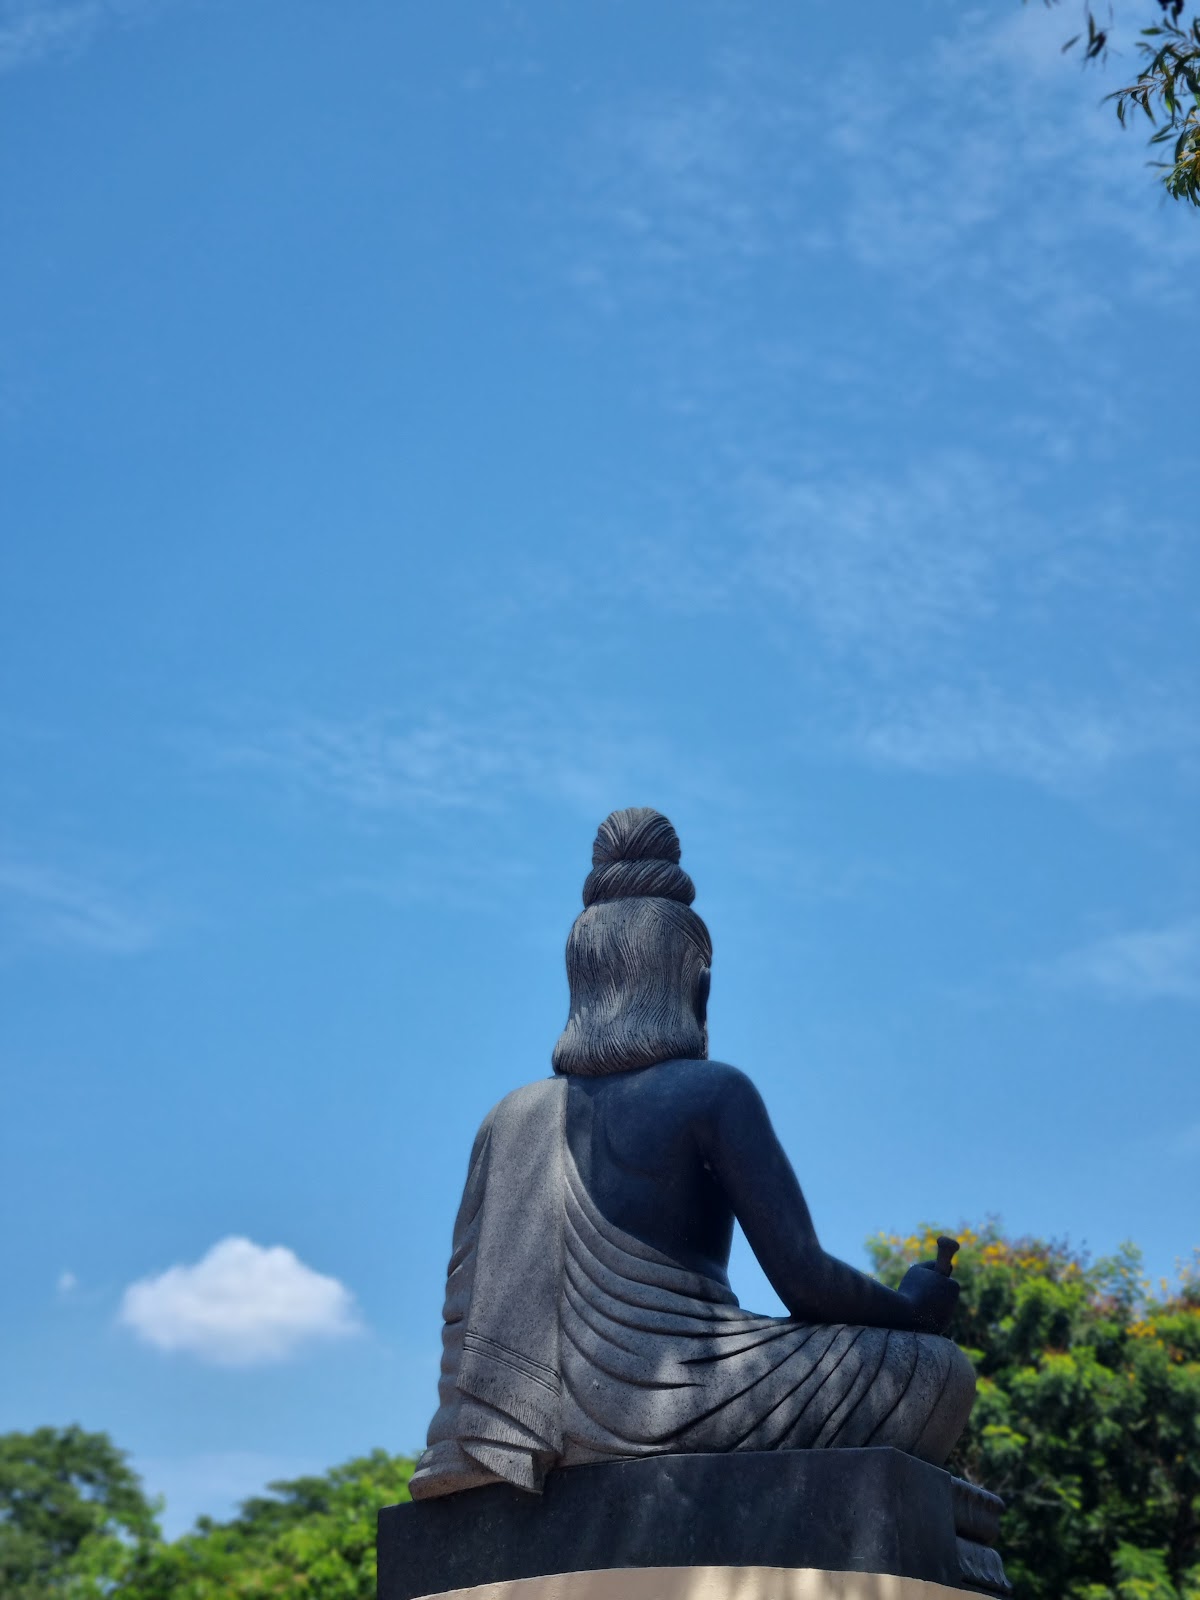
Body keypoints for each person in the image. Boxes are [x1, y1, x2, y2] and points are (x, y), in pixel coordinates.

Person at [409, 809, 974, 1501]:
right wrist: (910, 1305)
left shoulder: (509, 1118)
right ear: (695, 988)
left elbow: (467, 1325)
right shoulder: (711, 1091)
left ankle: (542, 1436)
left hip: (530, 1416)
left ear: (583, 987)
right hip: (688, 1392)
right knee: (933, 1371)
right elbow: (804, 1281)